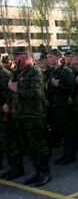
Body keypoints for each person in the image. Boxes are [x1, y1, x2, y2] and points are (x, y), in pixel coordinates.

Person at [7, 47, 51, 187]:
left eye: (17, 56)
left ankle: (45, 172)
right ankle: (37, 171)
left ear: (25, 56)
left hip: (33, 115)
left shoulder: (35, 72)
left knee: (38, 145)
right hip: (20, 114)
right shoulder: (20, 72)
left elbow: (37, 94)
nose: (14, 59)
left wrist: (16, 89)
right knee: (27, 146)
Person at [46, 49, 77, 165]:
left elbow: (72, 89)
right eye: (48, 57)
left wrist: (59, 85)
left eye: (51, 57)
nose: (48, 59)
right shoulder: (52, 72)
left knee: (69, 131)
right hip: (56, 106)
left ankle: (70, 155)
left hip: (64, 106)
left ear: (58, 57)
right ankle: (66, 154)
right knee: (63, 131)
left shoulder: (66, 71)